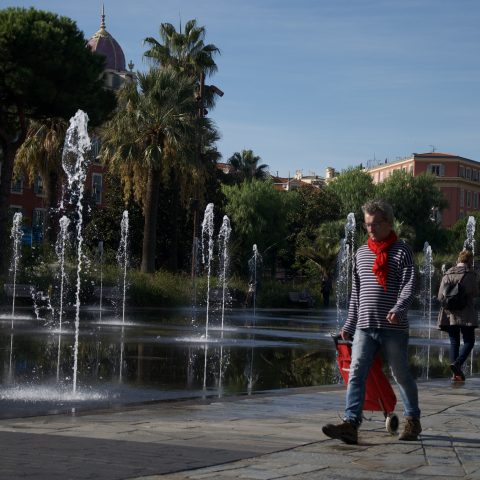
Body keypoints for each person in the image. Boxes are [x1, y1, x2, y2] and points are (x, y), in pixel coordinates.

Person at [322, 199, 421, 444]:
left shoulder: (402, 251)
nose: (371, 229)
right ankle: (350, 424)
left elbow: (410, 284)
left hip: (393, 328)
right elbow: (357, 293)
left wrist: (399, 308)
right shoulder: (361, 253)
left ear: (388, 223)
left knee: (401, 375)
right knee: (356, 372)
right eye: (367, 224)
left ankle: (413, 420)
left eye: (376, 223)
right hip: (365, 327)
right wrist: (348, 324)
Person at [437, 249, 478, 382]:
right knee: (469, 341)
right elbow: (475, 292)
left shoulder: (447, 274)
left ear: (458, 260)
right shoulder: (471, 275)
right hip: (466, 312)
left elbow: (440, 296)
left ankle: (456, 374)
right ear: (470, 261)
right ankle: (458, 364)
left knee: (454, 341)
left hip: (449, 313)